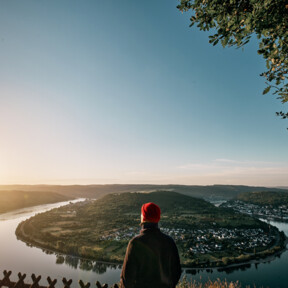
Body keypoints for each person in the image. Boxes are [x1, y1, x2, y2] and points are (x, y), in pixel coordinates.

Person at [120, 202, 182, 288]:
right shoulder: (169, 242)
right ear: (158, 218)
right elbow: (177, 272)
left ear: (143, 217)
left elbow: (127, 278)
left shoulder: (135, 243)